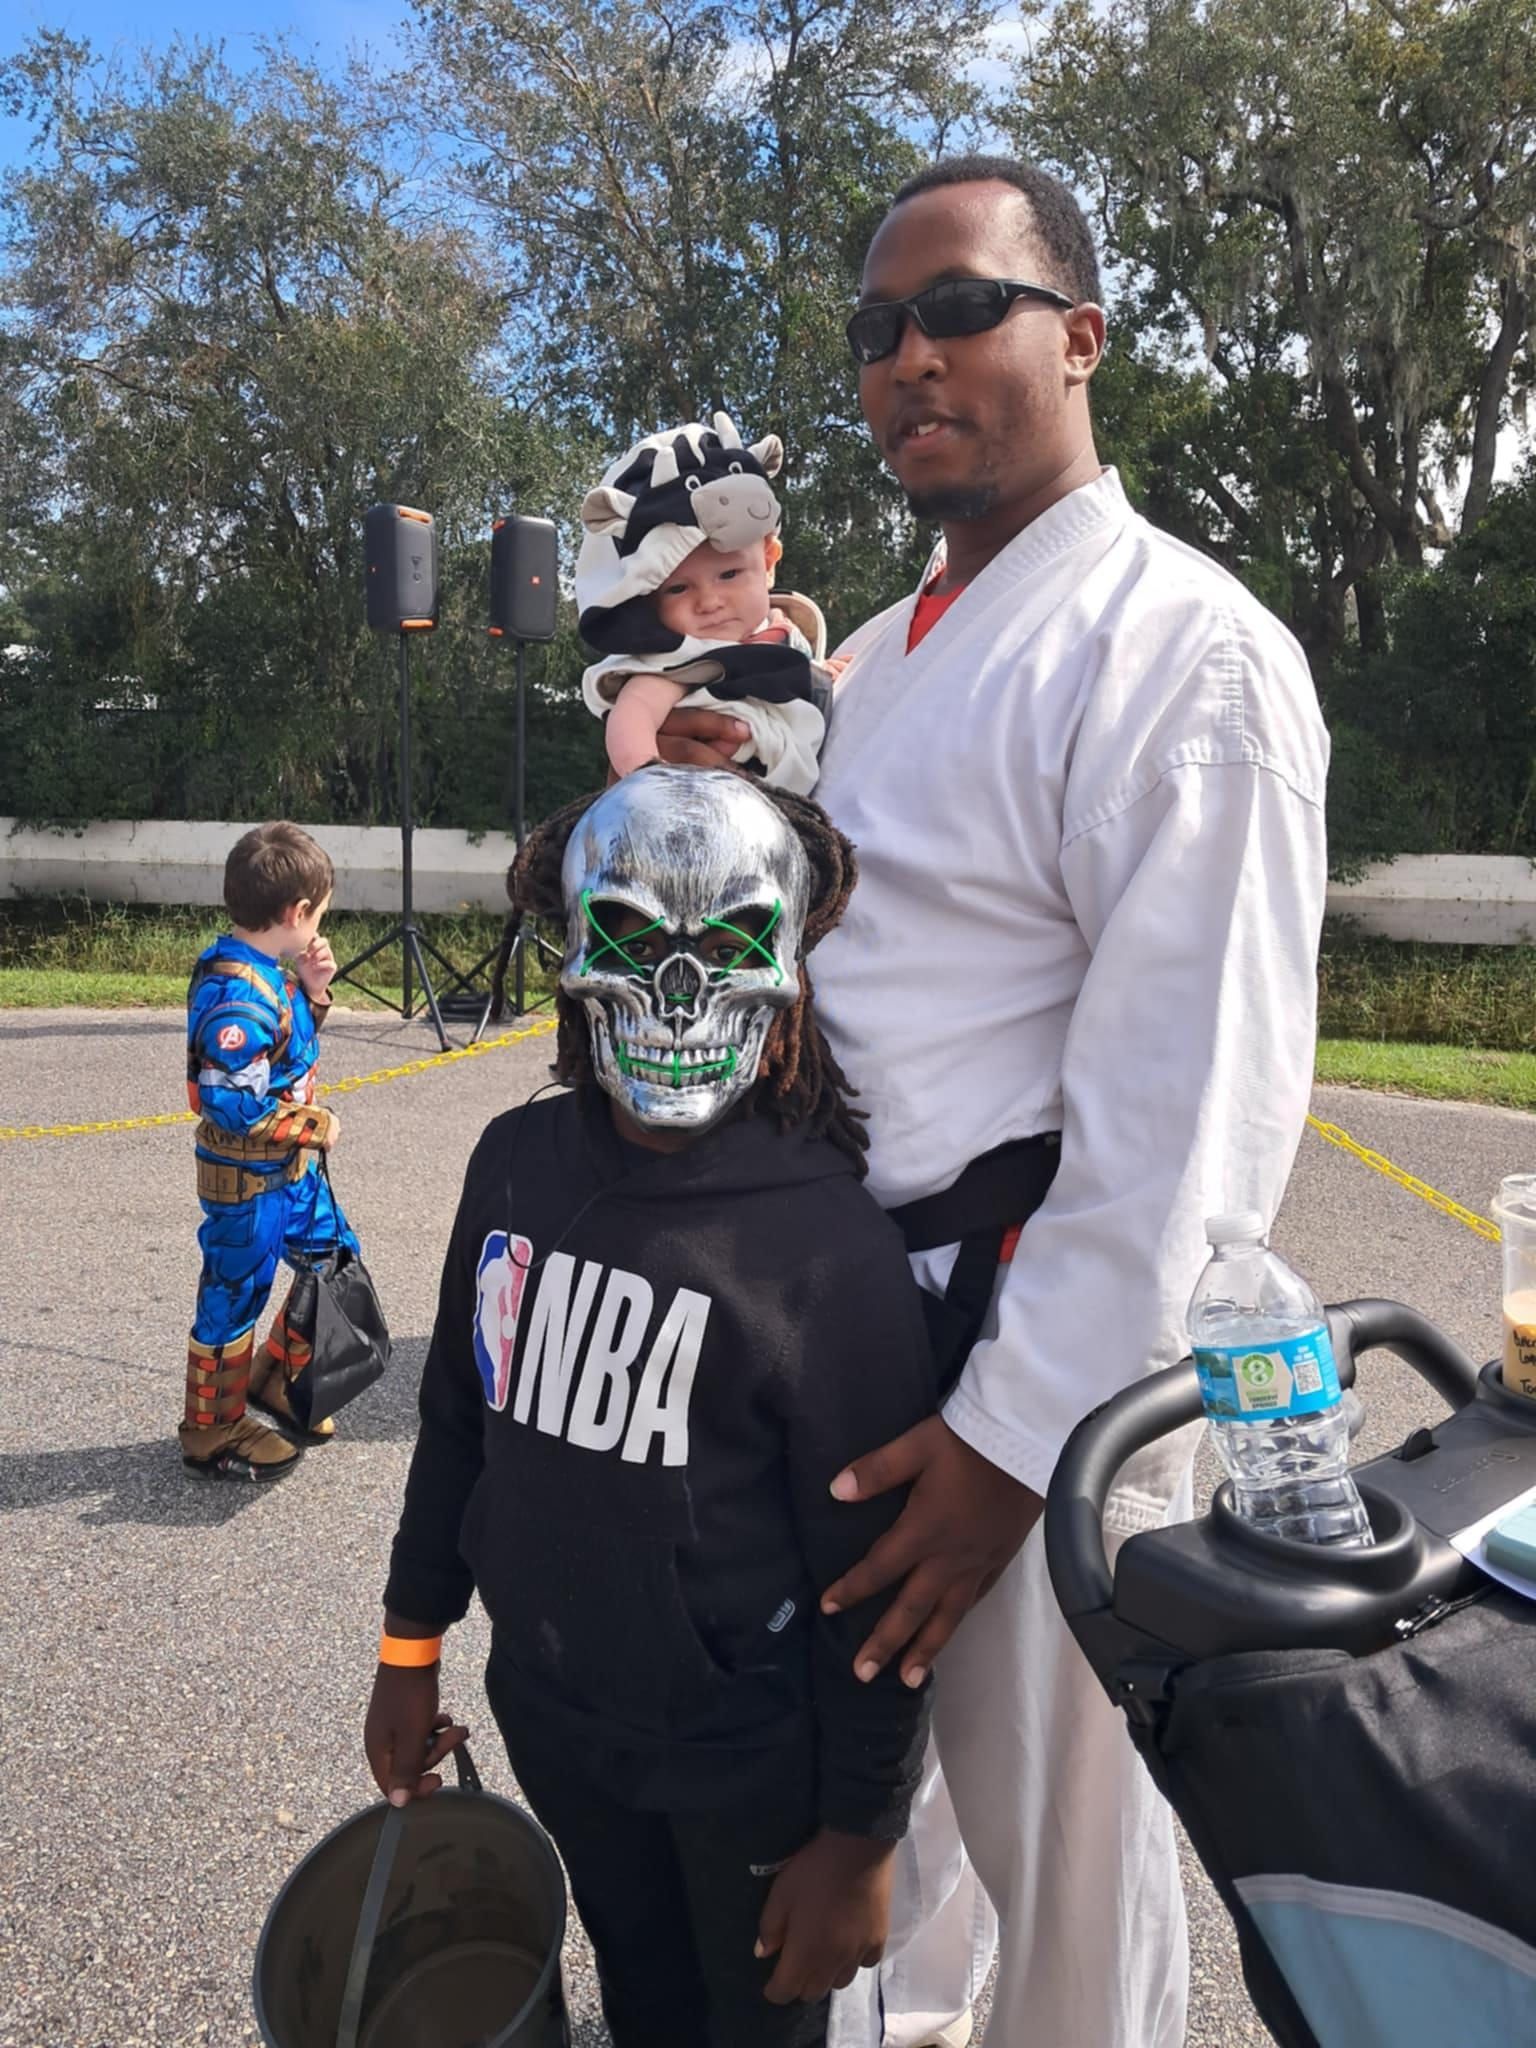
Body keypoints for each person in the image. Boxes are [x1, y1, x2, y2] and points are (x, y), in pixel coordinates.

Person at [657, 154, 1330, 2048]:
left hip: (1041, 1361)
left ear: (1081, 334)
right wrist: (736, 800)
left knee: (1062, 1873)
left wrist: (1021, 1446)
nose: (909, 358)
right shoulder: (877, 650)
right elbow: (856, 961)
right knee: (893, 1823)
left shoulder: (1185, 651)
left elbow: (1193, 1118)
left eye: (960, 306)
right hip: (846, 1331)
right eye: (877, 331)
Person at [365, 766, 941, 2047]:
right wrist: (411, 1643)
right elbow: (458, 1418)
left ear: (784, 971)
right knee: (637, 1987)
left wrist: (858, 1833)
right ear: (576, 956)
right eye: (632, 939)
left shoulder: (826, 1248)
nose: (680, 997)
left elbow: (876, 1581)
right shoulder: (513, 1164)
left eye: (728, 947)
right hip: (558, 1722)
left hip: (747, 1763)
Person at [181, 821, 354, 1481]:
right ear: (297, 913)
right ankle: (212, 1428)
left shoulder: (268, 973)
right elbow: (232, 1104)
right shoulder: (236, 993)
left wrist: (312, 993)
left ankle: (276, 1374)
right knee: (233, 1296)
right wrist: (312, 1127)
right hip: (245, 1186)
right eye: (320, 918)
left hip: (292, 1177)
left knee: (332, 1262)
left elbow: (287, 1054)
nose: (319, 931)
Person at [577, 411, 832, 792]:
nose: (709, 601)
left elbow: (811, 679)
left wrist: (831, 674)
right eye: (678, 589)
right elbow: (635, 714)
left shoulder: (786, 634)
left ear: (768, 563)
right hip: (705, 801)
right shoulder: (679, 662)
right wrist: (649, 776)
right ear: (649, 603)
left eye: (729, 575)